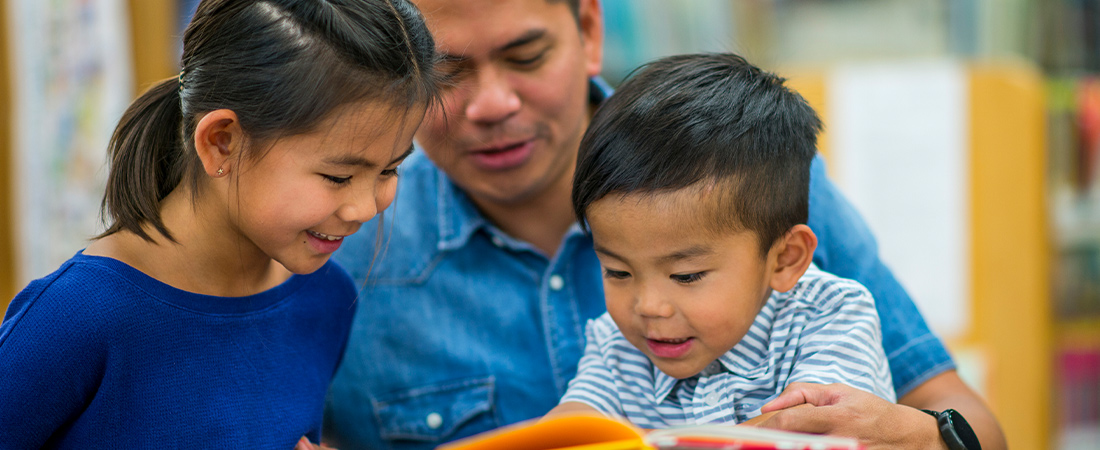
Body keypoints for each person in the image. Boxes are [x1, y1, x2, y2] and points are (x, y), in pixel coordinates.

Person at [324, 0, 1006, 449]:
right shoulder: (340, 241)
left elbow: (971, 422)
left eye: (526, 57)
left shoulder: (757, 179)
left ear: (589, 31)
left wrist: (922, 435)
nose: (492, 104)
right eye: (447, 74)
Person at [0, 0, 438, 448]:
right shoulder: (75, 318)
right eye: (338, 177)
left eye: (389, 170)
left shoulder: (326, 300)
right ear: (221, 142)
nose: (365, 208)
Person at [546, 52, 896, 427]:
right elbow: (572, 425)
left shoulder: (830, 315)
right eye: (617, 272)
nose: (648, 307)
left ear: (784, 259)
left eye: (686, 276)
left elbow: (809, 428)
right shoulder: (614, 346)